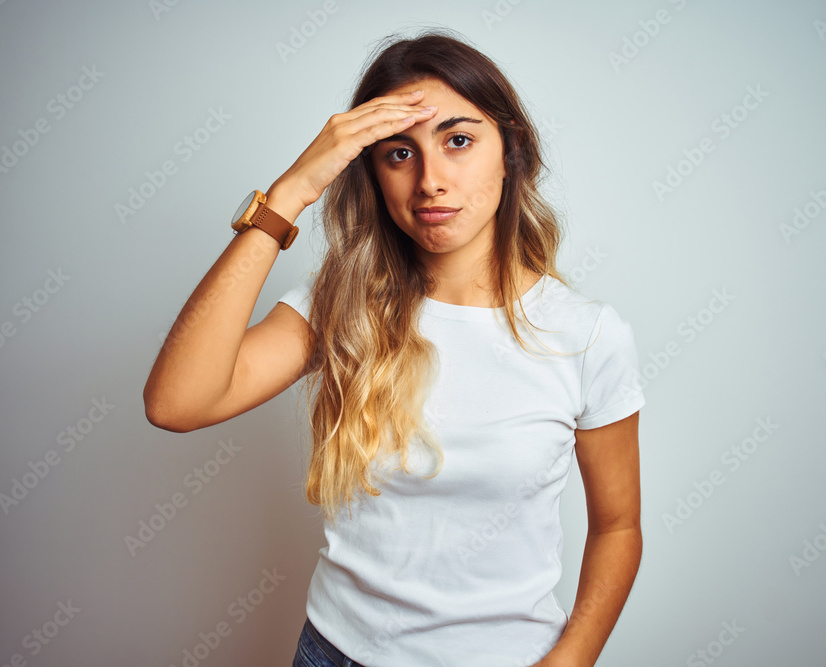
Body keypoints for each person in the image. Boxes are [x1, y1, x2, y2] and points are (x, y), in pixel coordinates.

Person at [143, 27, 645, 667]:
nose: (431, 180)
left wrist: (568, 662)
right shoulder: (340, 306)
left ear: (510, 152)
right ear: (371, 171)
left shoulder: (586, 335)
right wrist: (294, 187)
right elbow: (177, 402)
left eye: (458, 141)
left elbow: (617, 528)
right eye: (398, 153)